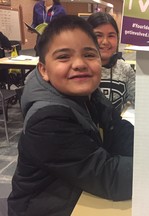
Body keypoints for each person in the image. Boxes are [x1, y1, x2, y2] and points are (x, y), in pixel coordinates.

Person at [8, 15, 134, 216]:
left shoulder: (88, 95)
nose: (79, 64)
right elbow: (108, 176)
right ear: (44, 70)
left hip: (77, 195)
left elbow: (117, 129)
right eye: (64, 56)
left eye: (89, 55)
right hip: (45, 208)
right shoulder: (47, 121)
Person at [87, 12, 135, 113]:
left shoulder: (125, 69)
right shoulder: (79, 68)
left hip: (116, 126)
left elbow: (140, 101)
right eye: (98, 35)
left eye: (111, 36)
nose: (105, 42)